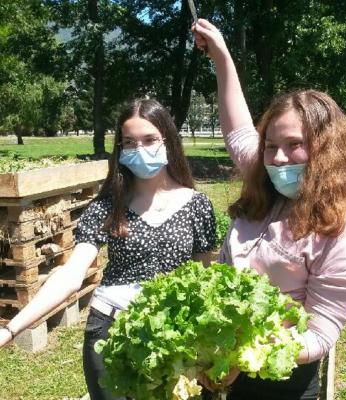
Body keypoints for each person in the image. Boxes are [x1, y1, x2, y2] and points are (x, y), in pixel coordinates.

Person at [192, 19, 346, 400]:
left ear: (326, 152)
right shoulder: (266, 180)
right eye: (270, 145)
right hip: (229, 365)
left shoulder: (343, 236)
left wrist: (240, 354)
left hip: (284, 380)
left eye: (294, 144)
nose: (278, 159)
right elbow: (238, 130)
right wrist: (222, 56)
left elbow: (317, 337)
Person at [0, 99, 216, 400]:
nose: (140, 149)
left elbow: (203, 278)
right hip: (112, 331)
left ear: (168, 140)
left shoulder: (197, 205)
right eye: (129, 142)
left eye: (150, 139)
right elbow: (71, 275)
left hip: (177, 337)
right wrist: (10, 330)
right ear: (120, 148)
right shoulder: (106, 207)